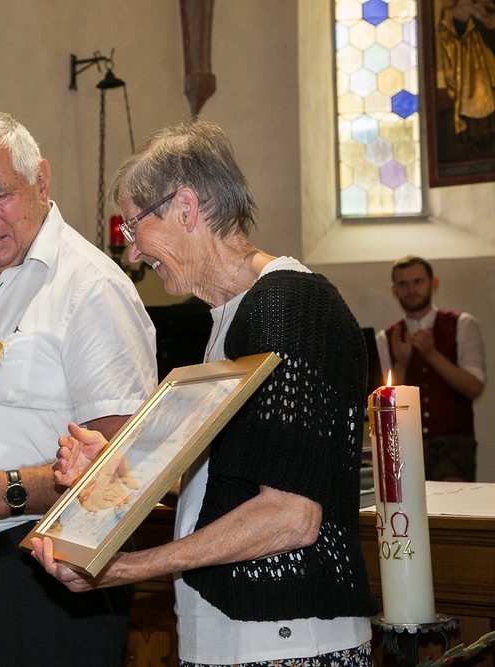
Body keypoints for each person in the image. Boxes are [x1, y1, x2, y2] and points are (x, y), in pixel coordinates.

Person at [32, 118, 379, 666]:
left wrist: (126, 568)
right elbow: (221, 485)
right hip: (234, 636)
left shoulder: (288, 305)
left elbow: (291, 516)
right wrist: (116, 472)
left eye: (133, 227)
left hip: (287, 640)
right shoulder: (229, 318)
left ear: (186, 207)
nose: (133, 253)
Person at [0, 109, 158, 666]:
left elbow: (129, 467)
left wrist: (1, 493)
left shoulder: (89, 287)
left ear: (41, 181)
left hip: (45, 585)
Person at [376, 255, 486, 481]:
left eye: (417, 281)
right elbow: (384, 406)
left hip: (454, 443)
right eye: (403, 284)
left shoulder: (463, 324)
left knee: (453, 497)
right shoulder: (386, 338)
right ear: (394, 290)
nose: (411, 290)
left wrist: (432, 355)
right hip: (405, 445)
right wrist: (401, 364)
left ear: (433, 283)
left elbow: (475, 388)